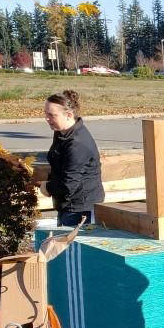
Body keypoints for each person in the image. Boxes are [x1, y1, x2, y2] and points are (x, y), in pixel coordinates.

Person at [43, 90, 104, 227]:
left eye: (52, 115)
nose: (47, 119)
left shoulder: (77, 144)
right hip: (67, 205)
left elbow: (68, 185)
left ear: (69, 115)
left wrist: (46, 187)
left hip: (80, 209)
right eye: (46, 114)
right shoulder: (62, 133)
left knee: (71, 247)